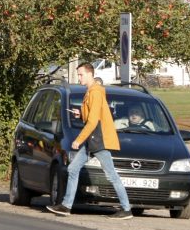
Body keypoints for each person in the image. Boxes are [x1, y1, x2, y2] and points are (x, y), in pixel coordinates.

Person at [47, 62, 133, 220]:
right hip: (93, 140)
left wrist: (78, 140)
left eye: (81, 74)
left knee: (111, 175)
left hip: (98, 140)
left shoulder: (95, 92)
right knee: (73, 169)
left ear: (89, 74)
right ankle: (66, 206)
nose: (79, 78)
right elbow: (93, 115)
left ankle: (126, 209)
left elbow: (93, 122)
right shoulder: (91, 91)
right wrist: (80, 113)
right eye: (78, 75)